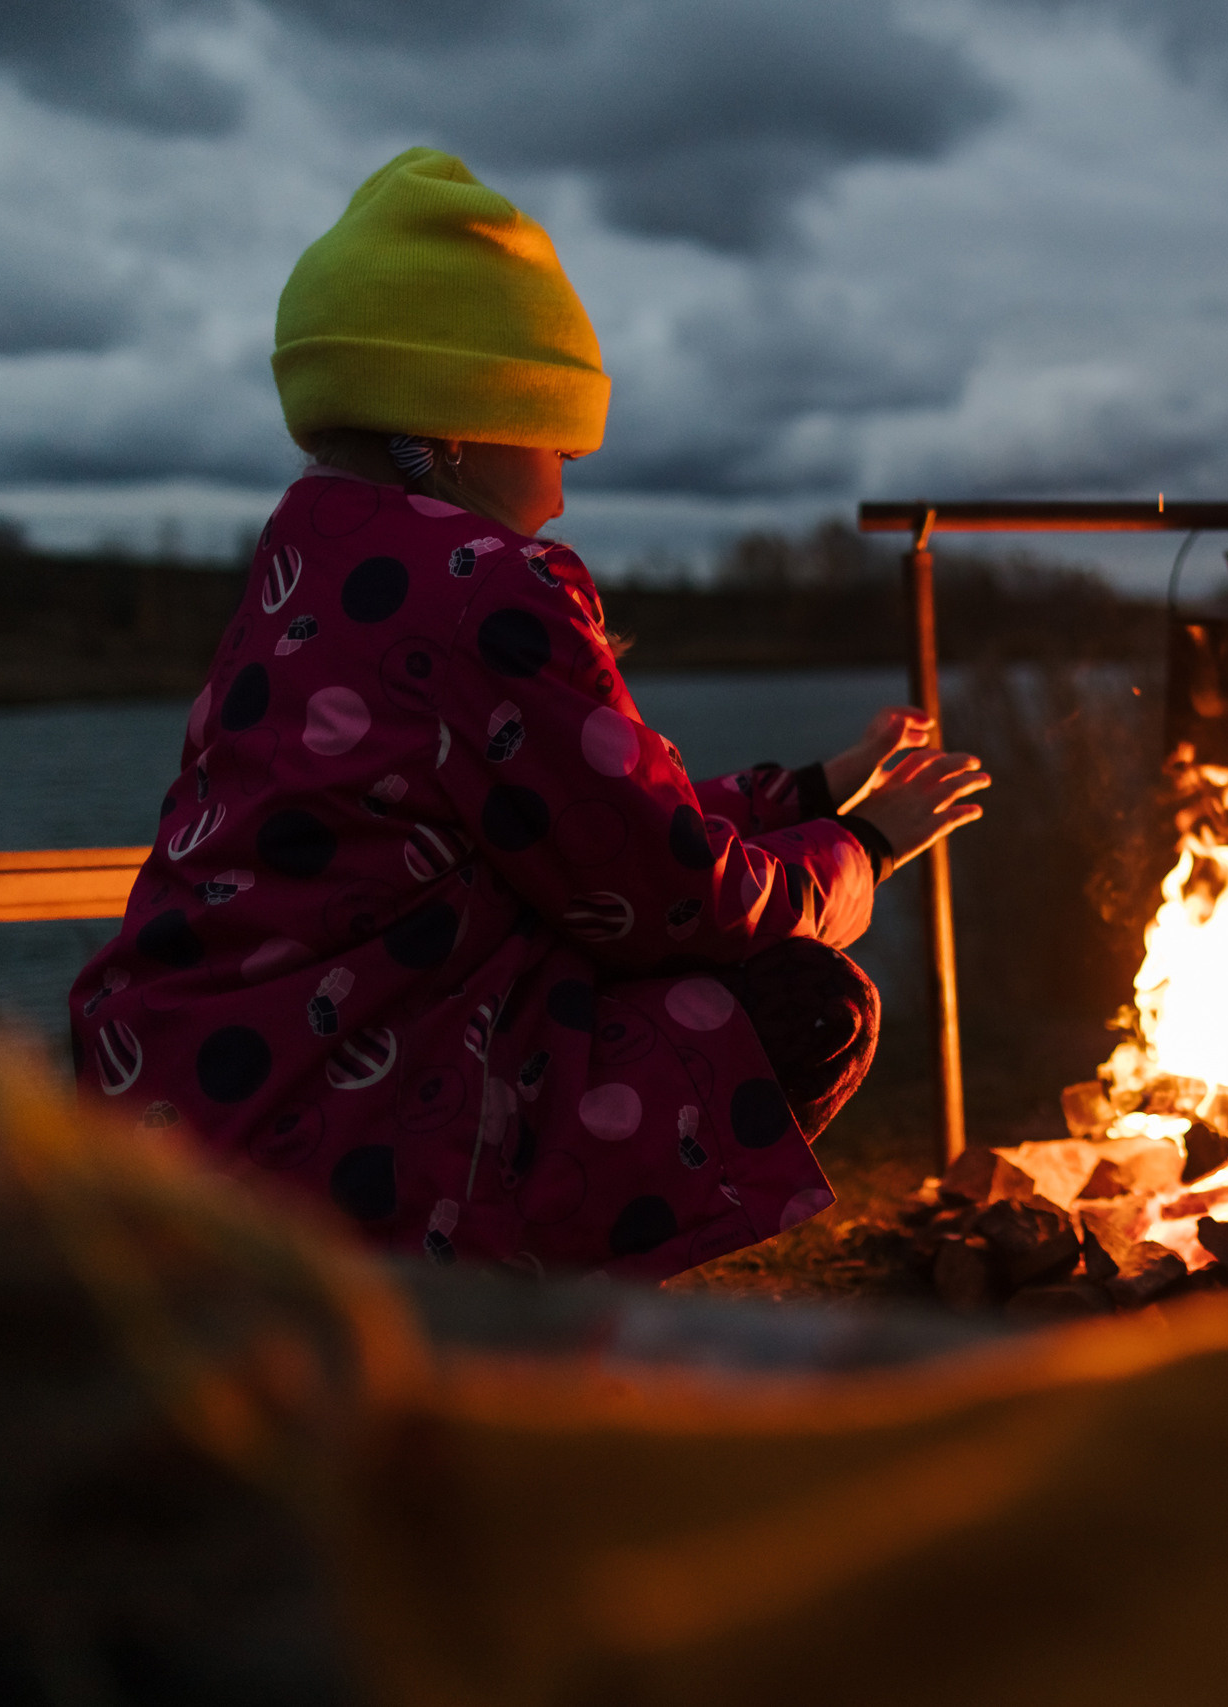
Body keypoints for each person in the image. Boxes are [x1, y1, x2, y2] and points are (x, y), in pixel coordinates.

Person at [66, 148, 989, 1279]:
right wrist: (865, 847)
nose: (566, 477)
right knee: (804, 998)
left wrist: (807, 791)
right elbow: (658, 895)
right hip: (341, 1121)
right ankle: (492, 1335)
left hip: (178, 1078)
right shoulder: (493, 584)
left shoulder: (308, 556)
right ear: (456, 423)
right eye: (555, 430)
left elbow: (563, 815)